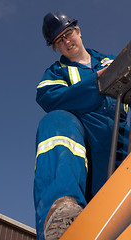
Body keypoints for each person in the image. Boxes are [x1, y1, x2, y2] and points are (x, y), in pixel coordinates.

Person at [34, 12, 129, 240]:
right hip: (86, 149)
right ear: (56, 48)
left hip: (121, 147)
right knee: (55, 121)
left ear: (78, 31)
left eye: (68, 33)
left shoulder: (112, 61)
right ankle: (61, 211)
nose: (67, 41)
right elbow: (50, 97)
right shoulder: (57, 73)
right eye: (59, 40)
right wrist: (96, 83)